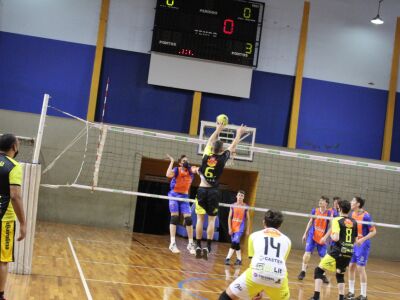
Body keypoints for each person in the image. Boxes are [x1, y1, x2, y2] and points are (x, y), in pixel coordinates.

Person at [195, 122, 246, 260]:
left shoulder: (205, 156)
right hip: (214, 192)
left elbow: (210, 140)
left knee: (200, 219)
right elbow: (233, 145)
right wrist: (239, 134)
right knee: (211, 220)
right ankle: (208, 246)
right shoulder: (223, 158)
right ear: (221, 149)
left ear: (212, 148)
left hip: (202, 190)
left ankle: (198, 244)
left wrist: (218, 129)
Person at [219, 210, 291, 300]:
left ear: (263, 222)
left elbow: (254, 261)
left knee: (226, 296)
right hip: (279, 277)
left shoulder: (254, 236)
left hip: (257, 273)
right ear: (280, 225)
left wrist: (257, 289)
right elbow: (278, 262)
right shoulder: (287, 240)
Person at [309, 199, 358, 300]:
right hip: (349, 252)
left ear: (339, 208)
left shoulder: (337, 220)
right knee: (340, 275)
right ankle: (341, 298)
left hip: (337, 251)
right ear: (349, 210)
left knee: (318, 270)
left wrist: (329, 236)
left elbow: (335, 238)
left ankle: (316, 297)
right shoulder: (354, 222)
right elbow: (356, 240)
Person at [0, 134, 26, 300]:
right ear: (14, 147)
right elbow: (15, 196)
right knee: (2, 259)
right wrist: (23, 223)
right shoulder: (14, 166)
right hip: (4, 219)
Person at [345, 197, 376, 300]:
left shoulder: (366, 216)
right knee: (351, 266)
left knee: (360, 268)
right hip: (354, 243)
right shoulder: (351, 214)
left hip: (363, 244)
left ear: (358, 204)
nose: (351, 202)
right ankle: (351, 292)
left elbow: (374, 231)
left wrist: (362, 240)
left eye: (353, 201)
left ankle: (363, 295)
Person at [166, 154, 196, 254]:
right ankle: (172, 243)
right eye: (183, 161)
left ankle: (190, 243)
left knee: (188, 219)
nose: (185, 162)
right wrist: (171, 161)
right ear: (180, 163)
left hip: (184, 197)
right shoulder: (176, 170)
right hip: (174, 195)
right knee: (174, 217)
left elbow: (196, 170)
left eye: (187, 161)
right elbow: (168, 175)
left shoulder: (191, 171)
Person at [298, 196, 332, 283]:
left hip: (322, 238)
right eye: (320, 200)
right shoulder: (315, 210)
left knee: (323, 258)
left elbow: (331, 227)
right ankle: (303, 271)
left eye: (322, 201)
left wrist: (325, 237)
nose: (320, 201)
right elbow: (310, 222)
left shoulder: (329, 213)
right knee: (307, 254)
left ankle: (323, 275)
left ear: (326, 203)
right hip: (312, 235)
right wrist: (305, 233)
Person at [225, 190, 250, 266]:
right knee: (236, 243)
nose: (240, 197)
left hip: (240, 228)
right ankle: (239, 260)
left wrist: (248, 229)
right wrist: (229, 228)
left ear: (243, 197)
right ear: (236, 196)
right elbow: (229, 217)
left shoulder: (246, 207)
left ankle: (227, 258)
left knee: (235, 242)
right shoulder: (232, 205)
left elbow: (248, 219)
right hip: (233, 227)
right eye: (239, 195)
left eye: (242, 196)